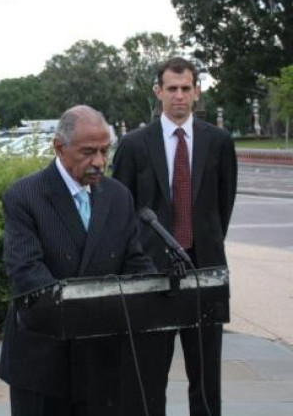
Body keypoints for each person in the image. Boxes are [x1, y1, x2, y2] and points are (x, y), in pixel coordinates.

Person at [0, 105, 156, 416]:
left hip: (102, 359)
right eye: (88, 152)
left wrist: (152, 290)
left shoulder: (118, 196)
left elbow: (134, 261)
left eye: (104, 151)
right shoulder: (24, 195)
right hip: (42, 360)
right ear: (59, 147)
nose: (99, 162)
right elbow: (26, 271)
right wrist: (86, 309)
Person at [112, 57, 237, 416]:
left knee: (207, 373)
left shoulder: (219, 141)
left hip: (205, 267)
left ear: (196, 92)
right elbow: (121, 208)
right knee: (149, 375)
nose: (179, 96)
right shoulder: (134, 144)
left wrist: (203, 243)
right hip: (150, 271)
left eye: (186, 88)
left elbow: (222, 207)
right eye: (172, 89)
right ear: (158, 92)